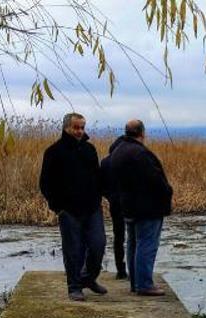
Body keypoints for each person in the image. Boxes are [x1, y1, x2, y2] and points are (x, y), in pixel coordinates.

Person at [39, 113, 107, 301]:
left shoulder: (90, 150)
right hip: (68, 211)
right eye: (76, 127)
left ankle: (88, 278)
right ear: (66, 128)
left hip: (93, 208)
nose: (79, 131)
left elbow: (98, 178)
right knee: (73, 250)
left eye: (82, 127)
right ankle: (74, 287)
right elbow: (45, 183)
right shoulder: (53, 151)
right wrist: (57, 207)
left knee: (98, 245)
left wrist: (100, 197)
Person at [110, 119, 173, 296]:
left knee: (133, 243)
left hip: (128, 205)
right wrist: (168, 191)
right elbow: (155, 179)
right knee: (147, 244)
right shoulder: (140, 153)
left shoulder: (118, 151)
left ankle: (135, 283)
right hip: (147, 207)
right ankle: (144, 284)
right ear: (142, 133)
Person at [99, 137, 128, 280]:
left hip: (115, 204)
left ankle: (120, 269)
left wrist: (110, 197)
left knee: (119, 237)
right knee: (135, 237)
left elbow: (101, 186)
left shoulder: (105, 162)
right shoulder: (129, 160)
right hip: (131, 203)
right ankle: (133, 270)